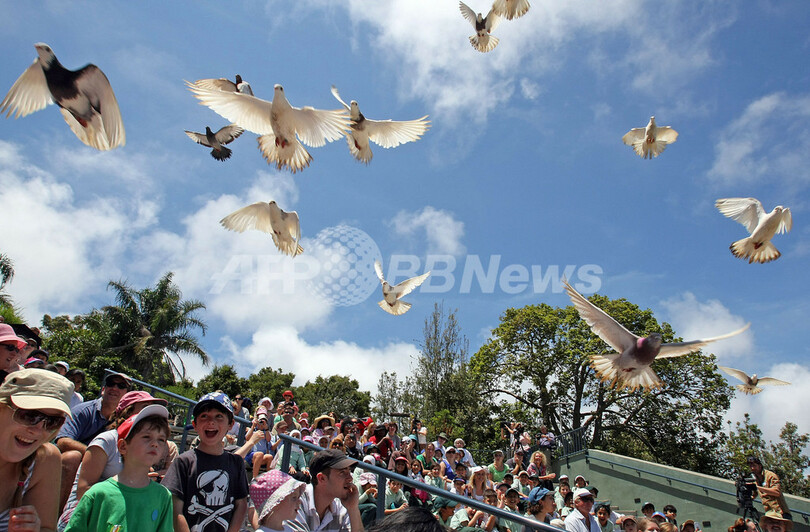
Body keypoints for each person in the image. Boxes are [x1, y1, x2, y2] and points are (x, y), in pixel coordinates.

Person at [57, 390, 170, 531]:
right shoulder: (107, 440)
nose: (155, 443)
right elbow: (83, 491)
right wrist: (130, 494)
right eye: (147, 437)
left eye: (161, 439)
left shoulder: (163, 496)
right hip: (90, 509)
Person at [161, 392, 249, 532]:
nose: (211, 422)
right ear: (195, 425)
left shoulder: (236, 463)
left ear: (231, 424)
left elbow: (241, 504)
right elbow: (176, 510)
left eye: (219, 416)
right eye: (204, 416)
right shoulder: (183, 462)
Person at [0, 368, 73, 532]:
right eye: (29, 415)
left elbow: (47, 528)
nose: (38, 430)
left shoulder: (45, 459)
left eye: (53, 421)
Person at [55, 372, 131, 509]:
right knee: (71, 457)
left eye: (121, 386)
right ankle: (59, 516)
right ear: (103, 389)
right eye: (110, 384)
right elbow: (62, 440)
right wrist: (97, 456)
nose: (114, 388)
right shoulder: (83, 411)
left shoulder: (126, 420)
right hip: (82, 463)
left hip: (109, 466)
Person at [288, 448, 363, 532]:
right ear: (322, 478)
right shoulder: (295, 501)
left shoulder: (341, 508)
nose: (350, 478)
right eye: (342, 473)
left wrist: (353, 509)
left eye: (349, 472)